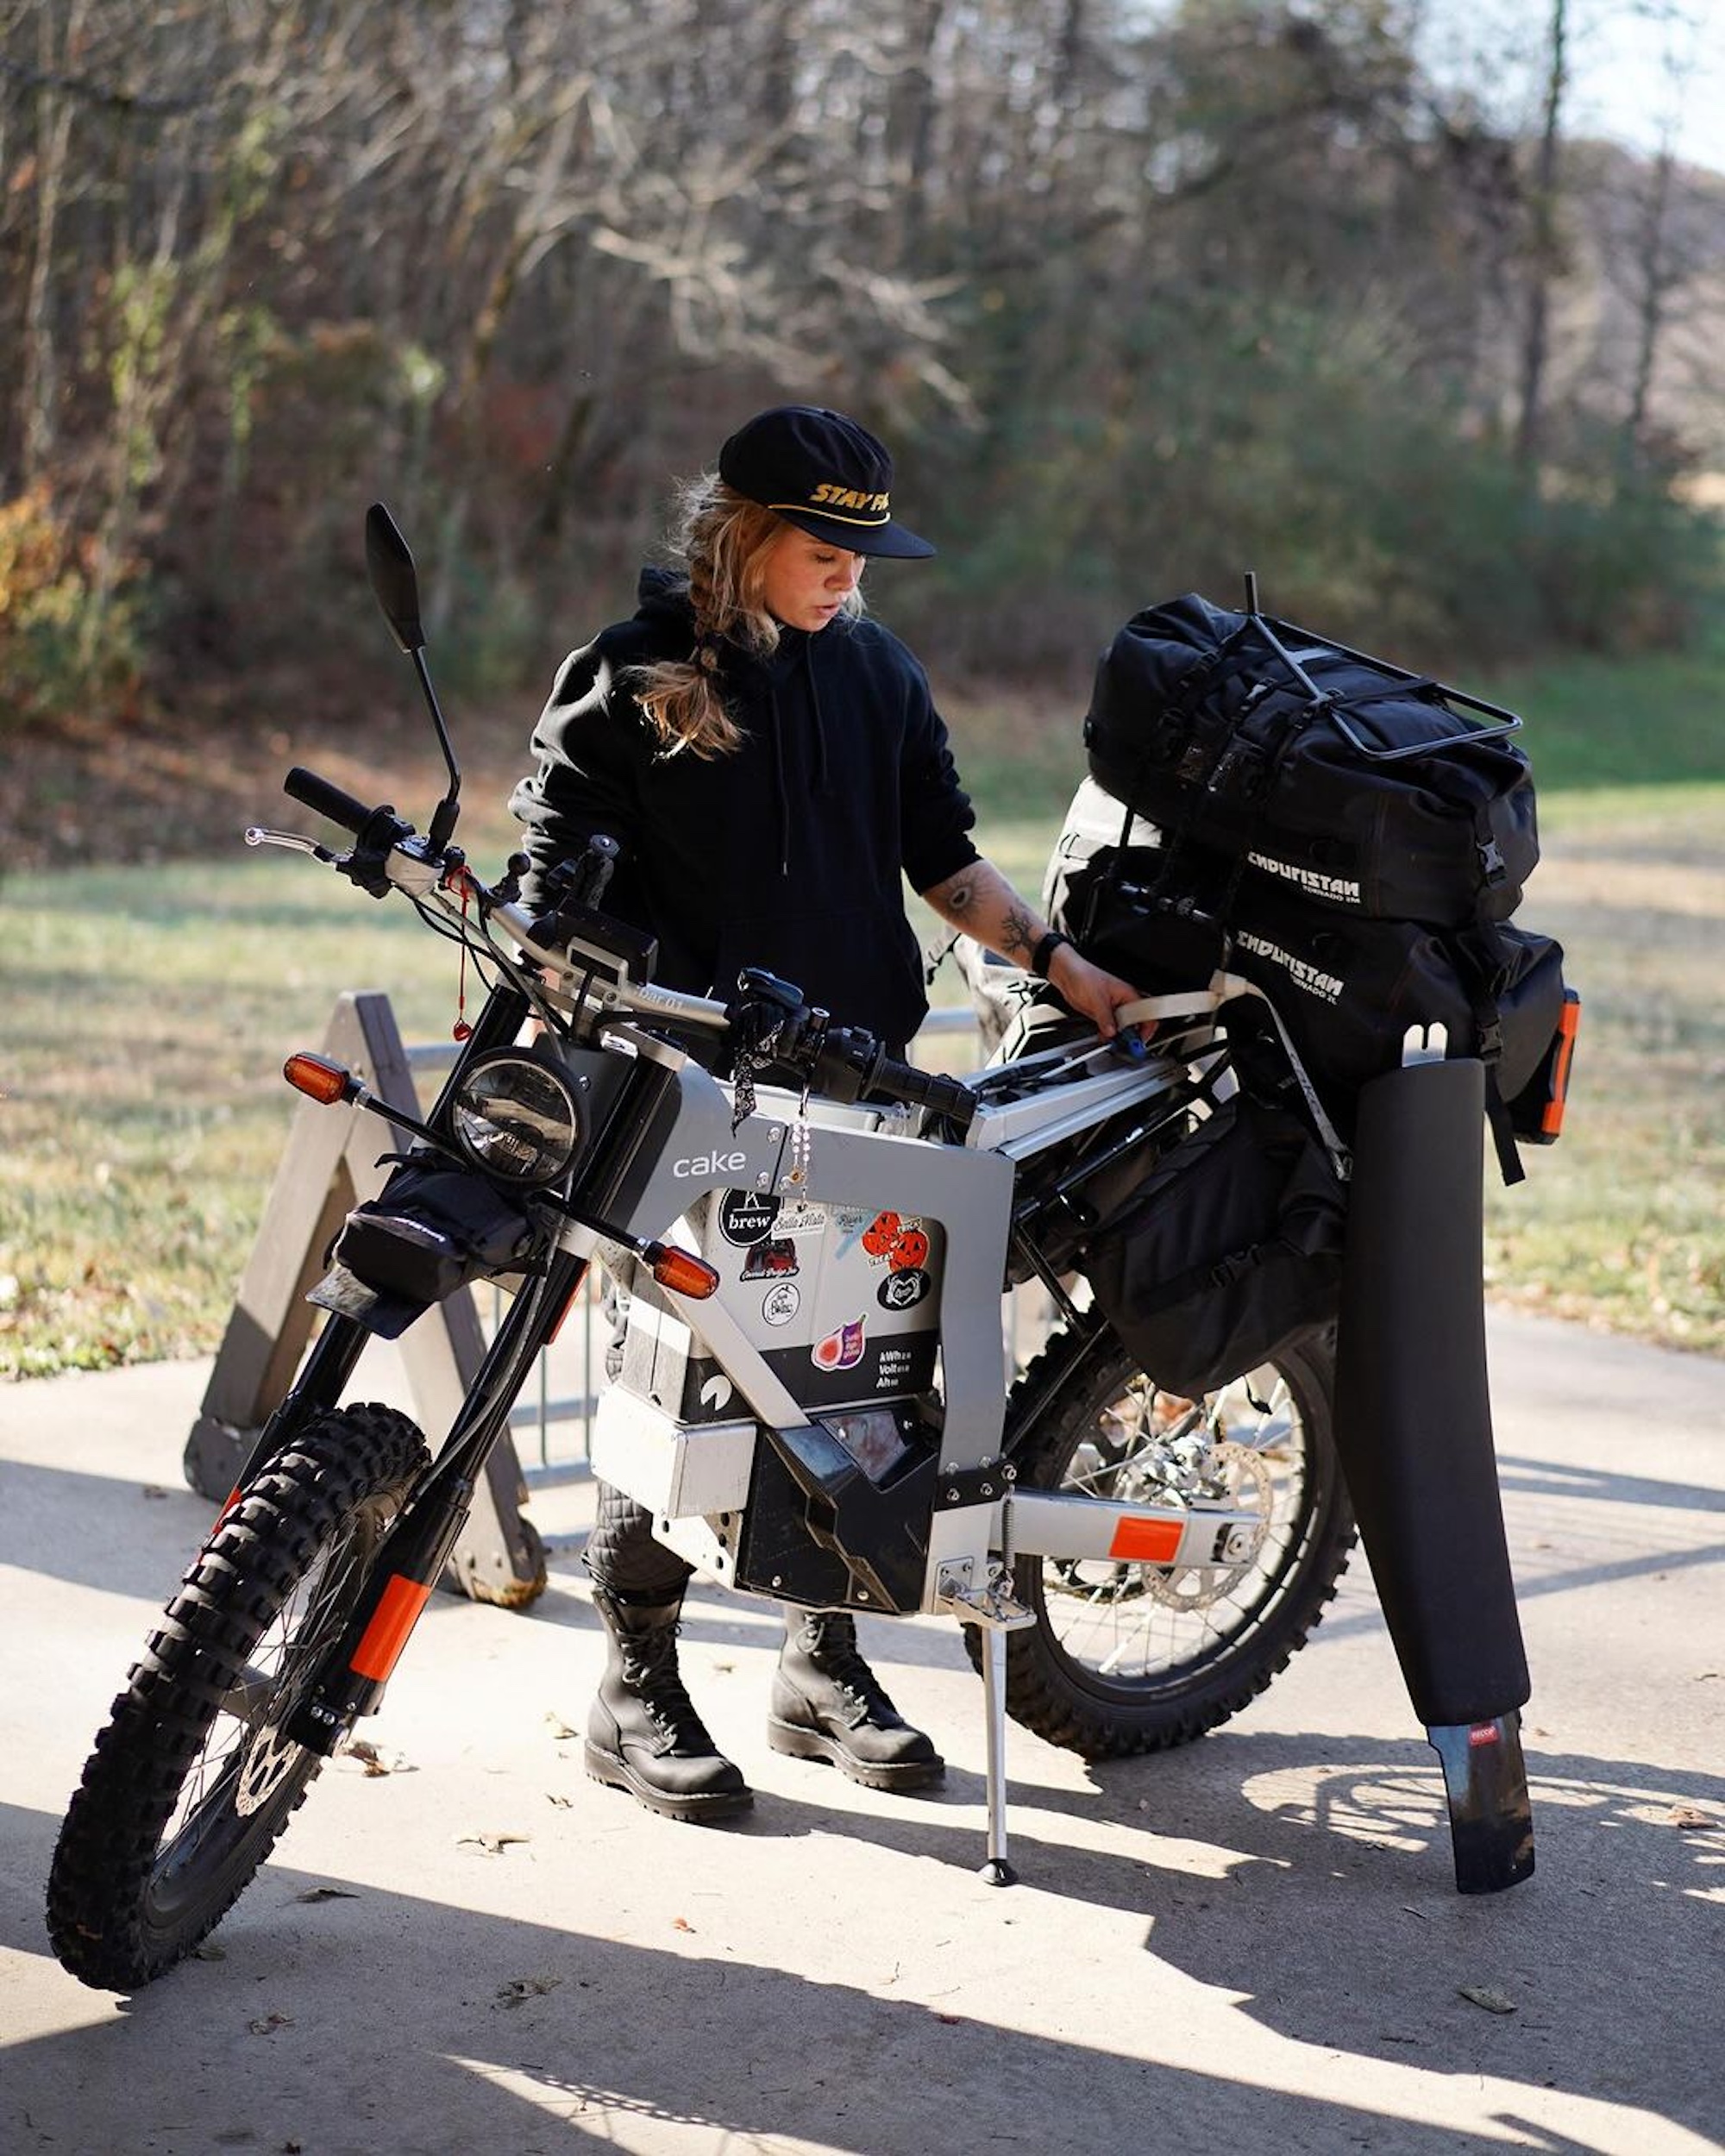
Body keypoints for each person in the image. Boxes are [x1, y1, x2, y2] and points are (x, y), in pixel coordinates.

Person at [511, 404, 1144, 1824]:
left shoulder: (879, 674)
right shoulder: (630, 674)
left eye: (868, 548)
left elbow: (947, 860)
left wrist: (1058, 961)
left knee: (860, 1380)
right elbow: (551, 865)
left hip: (870, 1087)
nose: (852, 572)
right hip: (694, 1094)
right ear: (742, 533)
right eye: (825, 545)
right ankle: (635, 1684)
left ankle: (821, 1660)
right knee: (680, 1382)